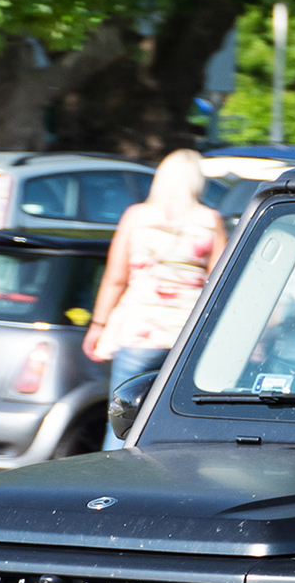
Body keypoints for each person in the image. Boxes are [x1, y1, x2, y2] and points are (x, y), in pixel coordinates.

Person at [83, 149, 227, 448]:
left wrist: (97, 325)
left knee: (122, 419)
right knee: (177, 420)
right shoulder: (210, 221)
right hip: (188, 335)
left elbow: (115, 278)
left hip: (139, 332)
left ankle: (113, 485)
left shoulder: (136, 217)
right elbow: (220, 283)